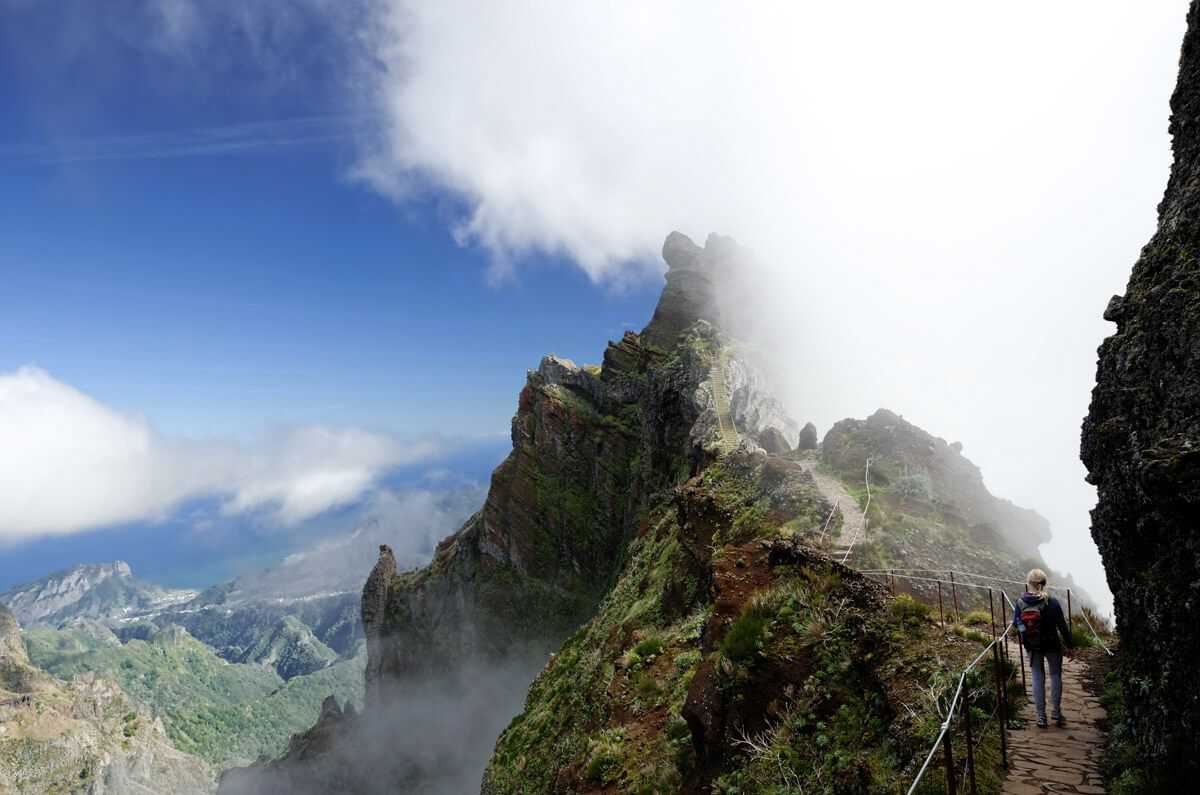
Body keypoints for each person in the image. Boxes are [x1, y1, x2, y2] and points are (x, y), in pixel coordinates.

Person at [1012, 568, 1073, 728]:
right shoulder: (1052, 602)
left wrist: (1026, 634)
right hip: (1052, 644)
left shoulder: (1021, 602)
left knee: (1037, 677)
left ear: (1029, 583)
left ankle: (1041, 717)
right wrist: (1070, 645)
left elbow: (1016, 624)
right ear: (1044, 583)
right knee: (1055, 675)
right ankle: (1057, 713)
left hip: (1033, 645)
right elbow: (1062, 625)